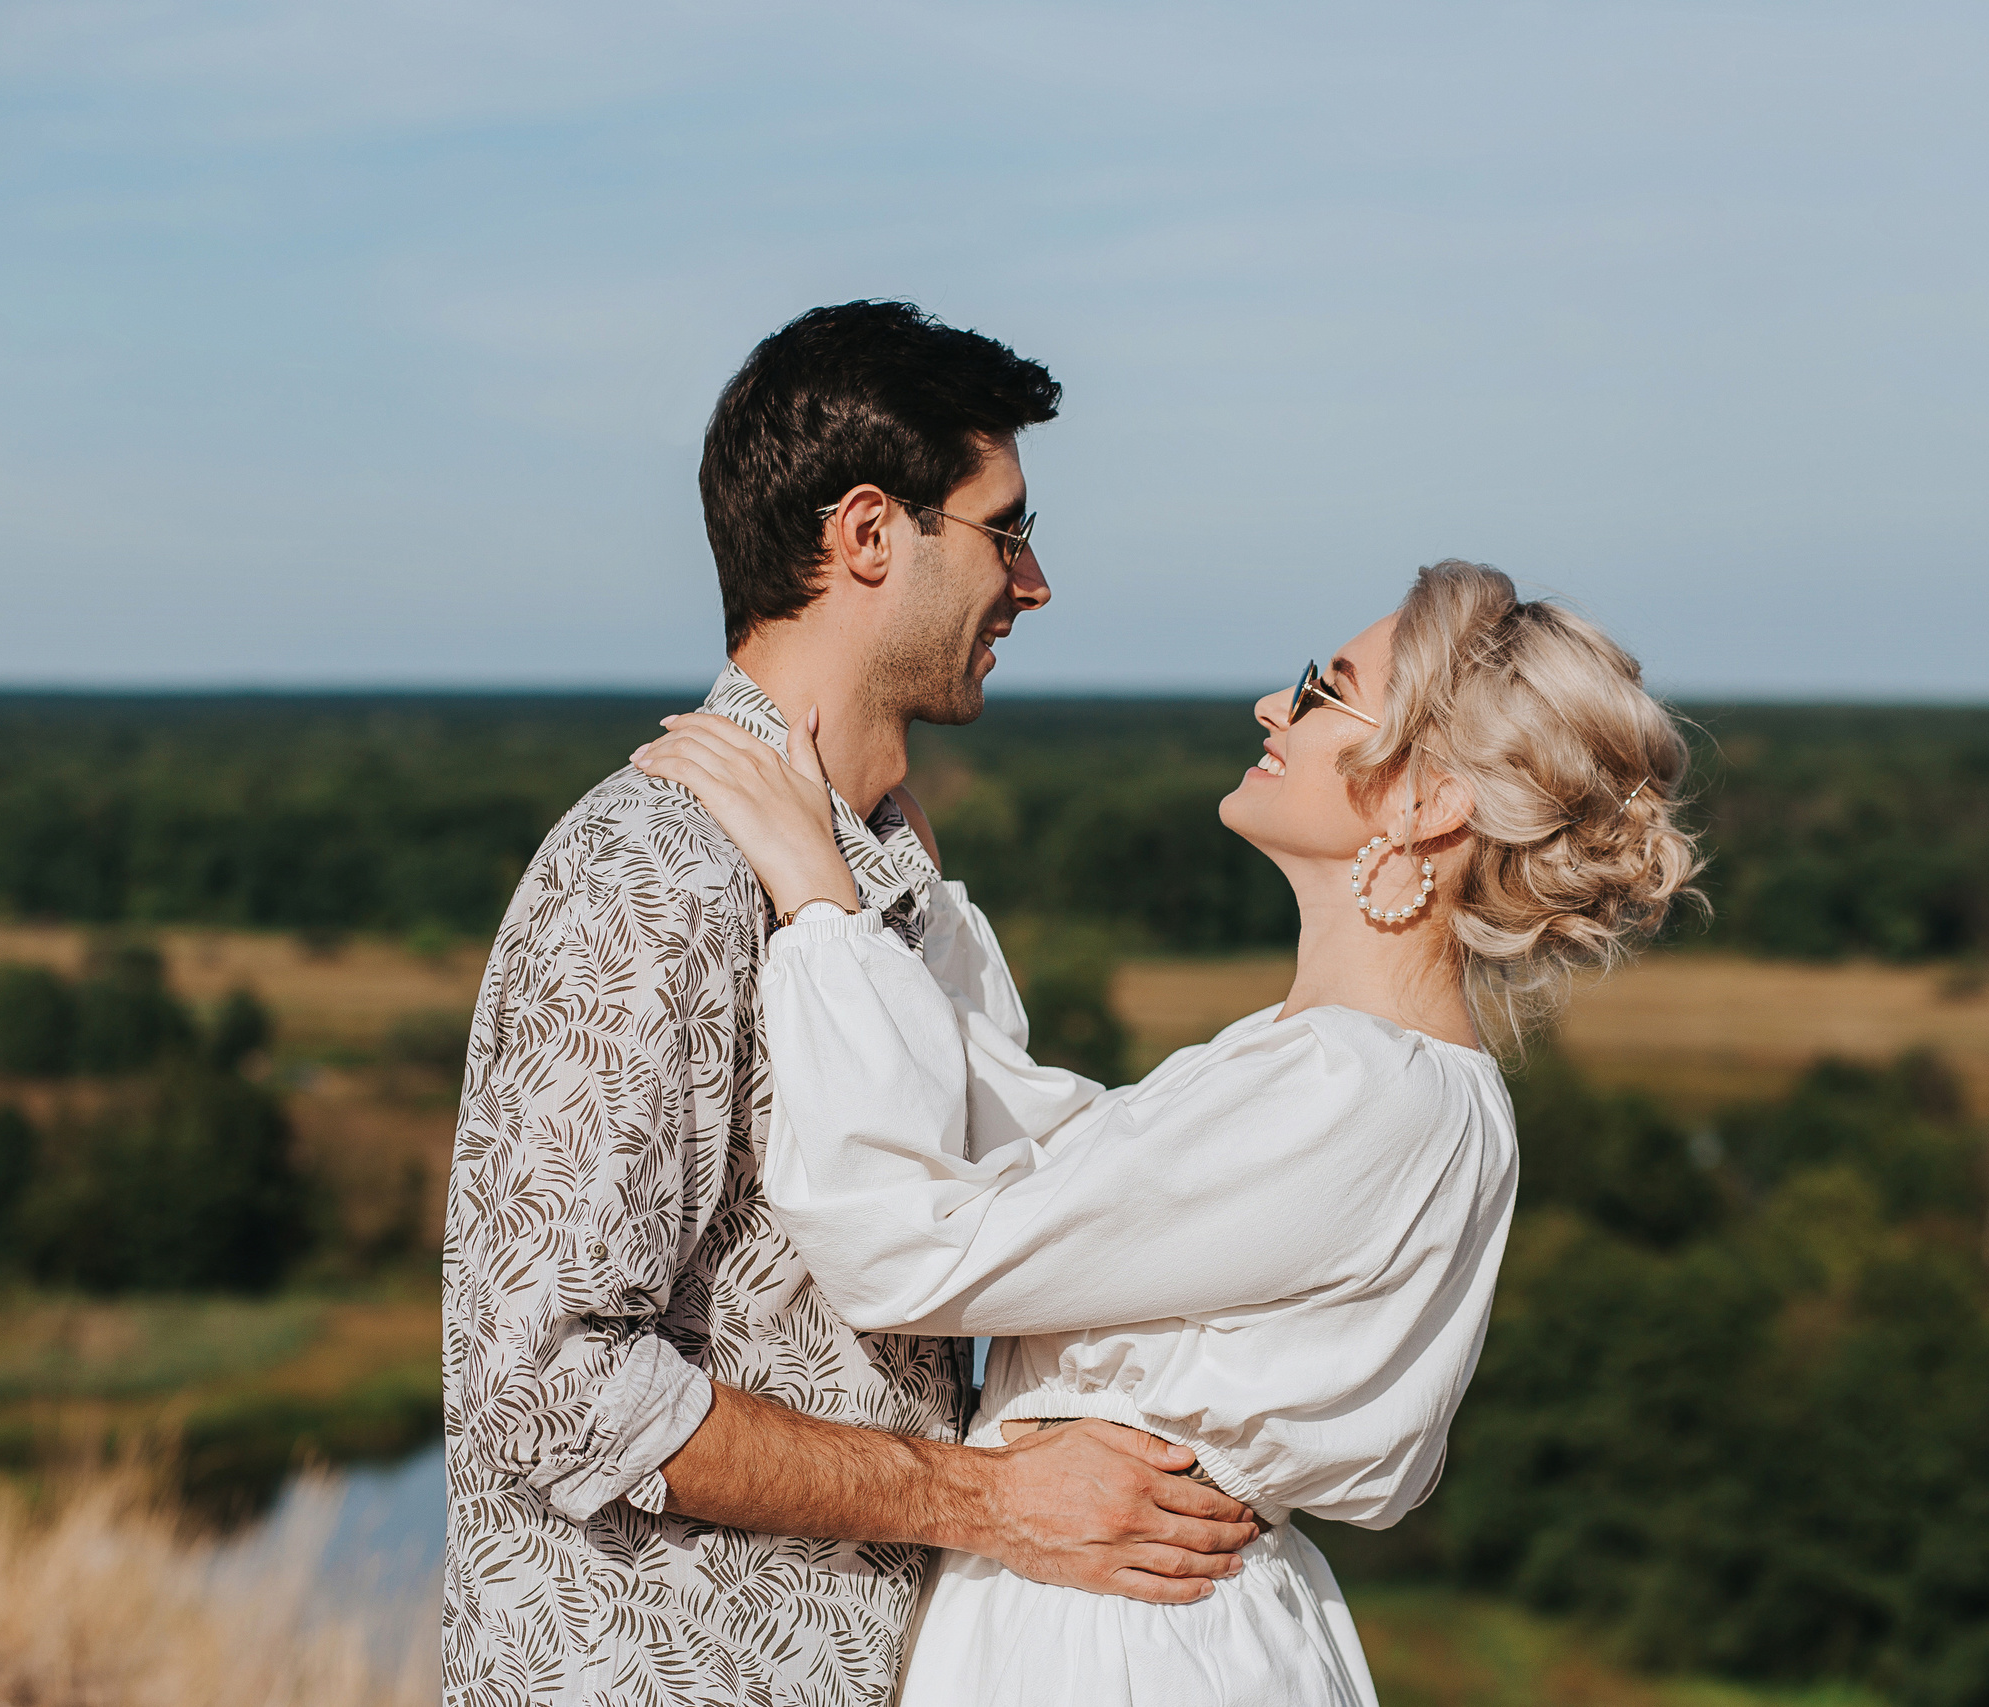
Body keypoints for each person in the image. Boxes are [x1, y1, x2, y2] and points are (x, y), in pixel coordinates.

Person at [632, 558, 1705, 1705]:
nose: (1271, 707)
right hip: (1130, 1615)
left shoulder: (1360, 1093)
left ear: (1424, 800)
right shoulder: (1344, 1069)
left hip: (1125, 1639)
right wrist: (918, 922)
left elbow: (913, 1249)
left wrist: (817, 909)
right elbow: (1052, 1162)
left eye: (1320, 688)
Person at [442, 302, 1260, 1707]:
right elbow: (548, 1387)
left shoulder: (893, 878)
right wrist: (991, 1499)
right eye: (1005, 529)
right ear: (872, 534)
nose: (1036, 580)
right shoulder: (654, 865)